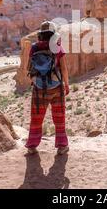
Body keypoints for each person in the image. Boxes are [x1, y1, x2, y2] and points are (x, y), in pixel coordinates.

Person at [25, 21, 70, 156]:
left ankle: (32, 146)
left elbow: (29, 67)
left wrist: (34, 80)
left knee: (36, 117)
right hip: (56, 87)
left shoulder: (34, 47)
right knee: (59, 116)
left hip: (39, 87)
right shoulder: (57, 47)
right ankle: (62, 146)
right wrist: (66, 84)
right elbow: (63, 68)